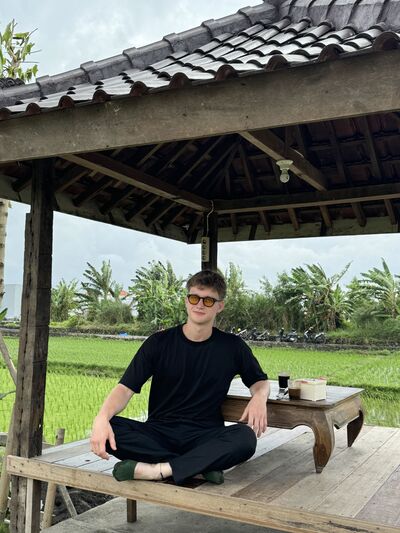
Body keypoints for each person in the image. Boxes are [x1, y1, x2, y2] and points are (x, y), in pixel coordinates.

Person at [90, 270, 269, 485]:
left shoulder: (232, 347)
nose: (199, 305)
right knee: (110, 427)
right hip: (158, 434)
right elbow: (125, 388)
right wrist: (101, 417)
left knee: (245, 438)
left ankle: (158, 469)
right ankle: (200, 466)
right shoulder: (158, 343)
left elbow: (259, 381)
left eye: (208, 300)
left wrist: (259, 397)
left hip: (204, 436)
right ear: (186, 301)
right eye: (194, 298)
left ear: (219, 306)